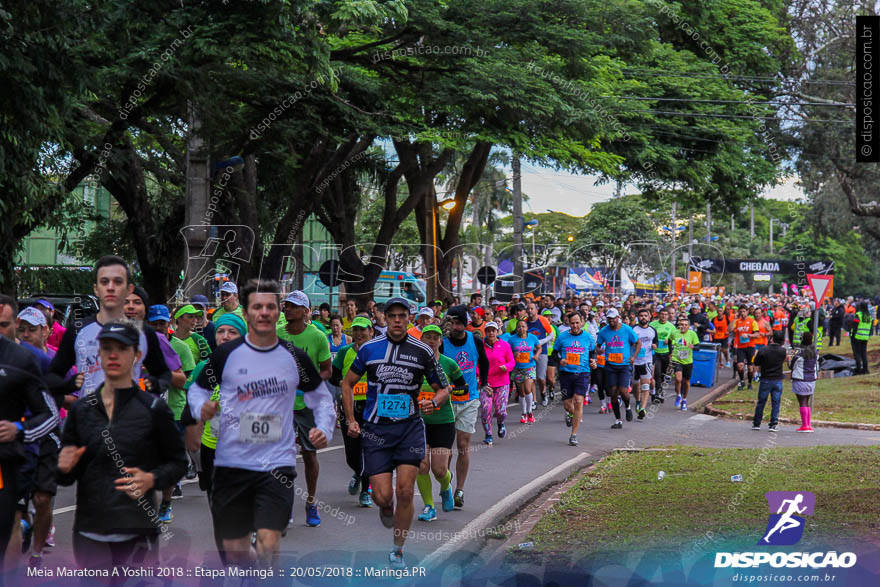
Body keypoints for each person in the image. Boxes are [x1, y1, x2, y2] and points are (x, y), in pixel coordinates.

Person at [188, 279, 334, 567]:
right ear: (248, 313)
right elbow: (197, 390)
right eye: (257, 307)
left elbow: (320, 395)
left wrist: (324, 427)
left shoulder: (294, 354)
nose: (264, 313)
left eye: (270, 307)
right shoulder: (225, 354)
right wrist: (196, 416)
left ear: (277, 311)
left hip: (275, 462)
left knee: (269, 539)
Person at [57, 319, 186, 574]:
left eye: (121, 348)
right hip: (90, 531)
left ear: (137, 355)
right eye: (106, 348)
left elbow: (178, 462)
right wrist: (62, 467)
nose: (113, 355)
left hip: (137, 531)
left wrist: (152, 478)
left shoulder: (153, 409)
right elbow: (65, 477)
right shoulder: (82, 410)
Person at [340, 296, 450, 569]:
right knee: (382, 496)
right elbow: (347, 384)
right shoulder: (369, 349)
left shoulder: (422, 351)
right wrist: (351, 420)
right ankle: (386, 508)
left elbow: (444, 388)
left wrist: (434, 401)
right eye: (393, 316)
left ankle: (398, 550)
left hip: (409, 428)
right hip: (376, 430)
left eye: (403, 315)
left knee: (404, 491)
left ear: (409, 318)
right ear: (385, 319)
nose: (398, 320)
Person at [47, 256, 172, 404]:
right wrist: (67, 386)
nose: (110, 287)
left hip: (130, 420)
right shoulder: (78, 330)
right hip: (90, 420)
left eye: (118, 282)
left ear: (128, 289)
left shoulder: (143, 333)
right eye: (104, 281)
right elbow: (52, 376)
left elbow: (163, 373)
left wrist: (155, 385)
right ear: (96, 289)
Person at [0, 298, 58, 571]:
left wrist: (19, 430)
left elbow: (52, 410)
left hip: (20, 454)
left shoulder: (30, 360)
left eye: (4, 325)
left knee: (17, 517)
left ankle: (31, 553)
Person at [185, 313, 247, 563]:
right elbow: (191, 407)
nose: (225, 336)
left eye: (232, 332)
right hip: (213, 450)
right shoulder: (205, 368)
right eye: (221, 331)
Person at [277, 291, 332, 528]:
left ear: (305, 311)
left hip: (307, 404)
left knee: (309, 454)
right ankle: (284, 503)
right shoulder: (276, 334)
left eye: (293, 306)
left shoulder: (317, 337)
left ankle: (311, 502)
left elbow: (327, 370)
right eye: (286, 305)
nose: (287, 309)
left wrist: (308, 385)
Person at [442, 305, 489, 509]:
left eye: (459, 322)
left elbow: (485, 362)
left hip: (469, 400)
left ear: (465, 323)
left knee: (463, 444)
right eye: (452, 323)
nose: (455, 326)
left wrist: (485, 383)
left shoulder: (475, 341)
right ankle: (446, 484)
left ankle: (459, 489)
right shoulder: (443, 344)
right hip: (447, 400)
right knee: (446, 449)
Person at [415, 325, 462, 522]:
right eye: (428, 337)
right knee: (421, 465)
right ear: (422, 340)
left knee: (439, 469)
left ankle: (445, 486)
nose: (432, 340)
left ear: (441, 341)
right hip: (419, 422)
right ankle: (429, 506)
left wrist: (449, 390)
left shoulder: (448, 363)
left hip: (443, 421)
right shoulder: (414, 364)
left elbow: (462, 387)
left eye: (436, 337)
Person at [328, 317, 374, 508]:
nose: (359, 334)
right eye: (356, 330)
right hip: (349, 407)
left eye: (363, 330)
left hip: (372, 408)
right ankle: (358, 472)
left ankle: (365, 490)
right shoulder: (345, 352)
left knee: (369, 449)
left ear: (371, 331)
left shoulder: (377, 351)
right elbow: (333, 375)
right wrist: (343, 385)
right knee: (351, 454)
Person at [554, 312, 596, 446]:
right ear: (569, 323)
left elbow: (592, 353)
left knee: (578, 401)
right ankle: (572, 415)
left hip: (582, 373)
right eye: (572, 323)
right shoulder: (562, 337)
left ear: (582, 322)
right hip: (566, 373)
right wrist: (561, 360)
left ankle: (573, 435)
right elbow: (554, 354)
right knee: (567, 405)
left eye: (577, 322)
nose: (575, 325)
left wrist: (593, 361)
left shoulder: (588, 337)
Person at [596, 308, 640, 429]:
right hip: (610, 365)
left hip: (624, 365)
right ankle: (618, 420)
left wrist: (633, 356)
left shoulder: (627, 329)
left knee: (623, 390)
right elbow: (598, 345)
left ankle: (627, 407)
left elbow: (638, 342)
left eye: (613, 319)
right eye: (609, 319)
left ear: (618, 317)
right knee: (613, 392)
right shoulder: (604, 331)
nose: (611, 321)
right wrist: (598, 350)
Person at [481, 322, 515, 445]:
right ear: (485, 332)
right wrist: (479, 376)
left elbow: (512, 362)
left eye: (493, 330)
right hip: (486, 383)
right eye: (488, 330)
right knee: (486, 409)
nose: (491, 333)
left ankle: (501, 423)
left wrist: (506, 367)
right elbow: (477, 363)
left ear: (497, 331)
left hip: (502, 382)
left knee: (500, 411)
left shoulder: (505, 345)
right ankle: (488, 434)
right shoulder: (481, 346)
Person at [752, 330, 787, 432]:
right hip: (777, 378)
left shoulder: (763, 350)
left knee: (761, 401)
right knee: (776, 402)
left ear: (771, 339)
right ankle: (773, 423)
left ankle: (757, 423)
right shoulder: (782, 351)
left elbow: (757, 362)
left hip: (766, 378)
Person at [508, 319, 542, 424]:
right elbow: (508, 352)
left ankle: (530, 411)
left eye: (523, 326)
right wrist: (514, 355)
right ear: (516, 328)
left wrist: (536, 355)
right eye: (519, 327)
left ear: (527, 328)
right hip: (518, 368)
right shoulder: (512, 339)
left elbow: (539, 347)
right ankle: (523, 413)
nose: (521, 329)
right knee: (521, 392)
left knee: (528, 389)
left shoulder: (532, 337)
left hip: (529, 367)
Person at [525, 303, 554, 407]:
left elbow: (551, 334)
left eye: (531, 308)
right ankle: (533, 401)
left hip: (542, 351)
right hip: (529, 352)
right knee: (531, 377)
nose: (529, 311)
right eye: (528, 309)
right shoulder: (525, 322)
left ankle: (543, 393)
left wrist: (541, 342)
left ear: (536, 310)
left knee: (541, 378)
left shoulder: (542, 320)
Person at [667, 316, 700, 411]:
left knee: (686, 382)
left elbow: (698, 346)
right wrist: (670, 352)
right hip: (676, 359)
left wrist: (693, 346)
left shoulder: (692, 334)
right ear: (679, 325)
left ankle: (684, 399)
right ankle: (678, 395)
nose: (683, 326)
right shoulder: (674, 333)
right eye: (681, 324)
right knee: (678, 379)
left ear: (689, 326)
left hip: (688, 361)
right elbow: (669, 341)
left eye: (686, 325)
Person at [631, 308, 657, 419]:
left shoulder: (653, 330)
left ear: (649, 317)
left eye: (645, 315)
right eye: (641, 315)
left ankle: (643, 408)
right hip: (634, 361)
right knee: (636, 385)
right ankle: (637, 401)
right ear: (638, 317)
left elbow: (655, 342)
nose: (643, 317)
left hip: (647, 360)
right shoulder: (633, 329)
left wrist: (655, 346)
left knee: (645, 385)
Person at [790, 331, 818, 433]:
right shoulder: (815, 352)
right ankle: (808, 424)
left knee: (802, 402)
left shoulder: (798, 353)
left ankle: (804, 425)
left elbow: (791, 365)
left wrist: (790, 358)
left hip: (800, 379)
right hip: (811, 380)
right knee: (807, 402)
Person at [732, 307, 760, 391]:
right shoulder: (737, 321)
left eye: (744, 311)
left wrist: (748, 335)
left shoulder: (752, 321)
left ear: (747, 312)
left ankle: (750, 383)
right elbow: (729, 329)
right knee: (740, 366)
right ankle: (741, 381)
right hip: (740, 347)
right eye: (741, 312)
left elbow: (757, 334)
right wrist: (734, 319)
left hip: (750, 346)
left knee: (750, 367)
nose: (742, 313)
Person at [851, 301, 871, 375]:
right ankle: (865, 369)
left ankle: (858, 370)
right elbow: (871, 328)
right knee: (864, 353)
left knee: (857, 354)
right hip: (865, 337)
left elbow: (855, 326)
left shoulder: (858, 315)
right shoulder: (869, 316)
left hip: (857, 336)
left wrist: (852, 336)